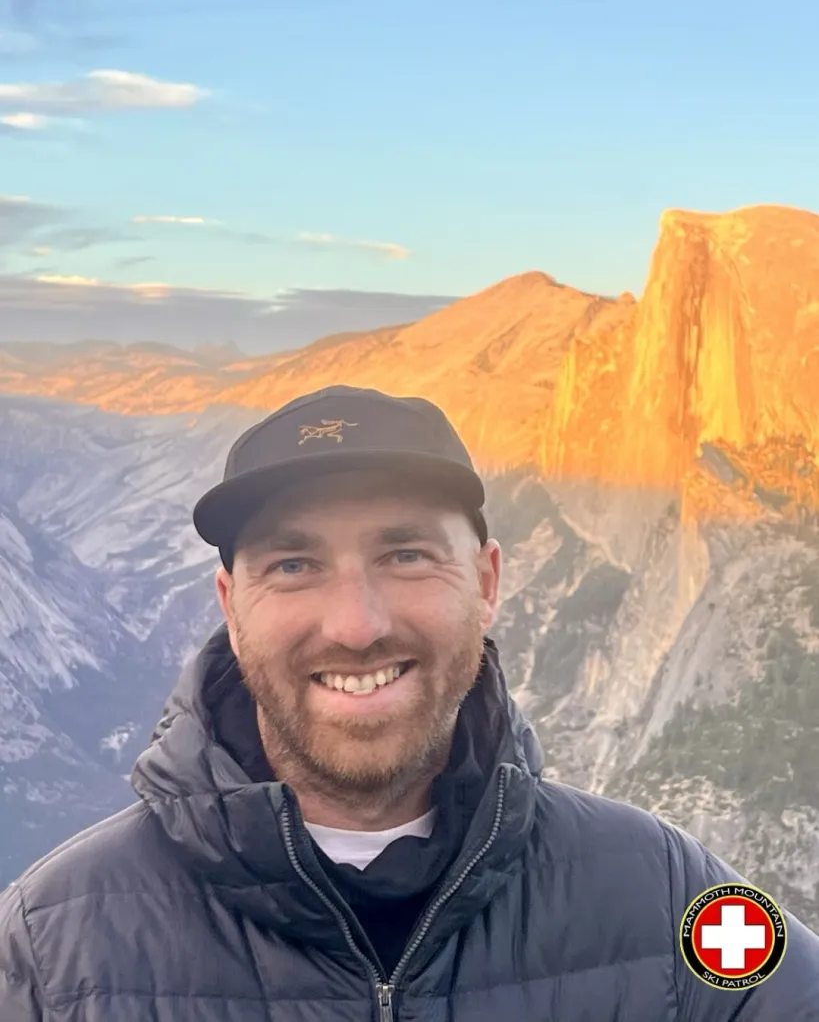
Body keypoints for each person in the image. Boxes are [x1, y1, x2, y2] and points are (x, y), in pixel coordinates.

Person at [1, 384, 818, 1022]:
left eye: (405, 553)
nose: (356, 624)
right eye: (292, 564)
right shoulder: (51, 946)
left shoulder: (661, 888)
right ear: (229, 602)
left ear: (488, 581)